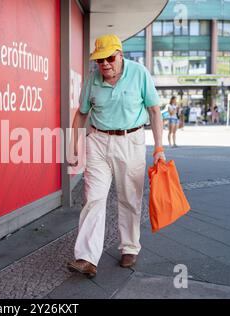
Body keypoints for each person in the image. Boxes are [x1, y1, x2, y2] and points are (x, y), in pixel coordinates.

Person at [67, 34, 165, 277]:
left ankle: (130, 247)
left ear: (120, 54)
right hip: (98, 141)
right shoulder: (92, 80)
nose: (105, 64)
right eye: (100, 60)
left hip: (131, 140)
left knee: (130, 198)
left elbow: (154, 110)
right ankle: (87, 258)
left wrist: (159, 148)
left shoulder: (139, 73)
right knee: (94, 198)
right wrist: (74, 144)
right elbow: (81, 113)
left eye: (109, 58)